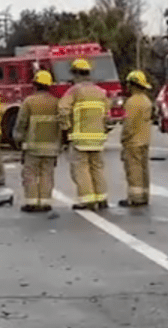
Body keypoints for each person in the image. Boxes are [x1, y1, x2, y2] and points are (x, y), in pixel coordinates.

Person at [58, 58, 110, 210]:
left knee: (81, 169)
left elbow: (62, 109)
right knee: (97, 168)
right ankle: (102, 198)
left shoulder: (74, 91)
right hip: (98, 139)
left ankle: (87, 200)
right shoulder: (101, 92)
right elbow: (107, 115)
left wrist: (66, 128)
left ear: (76, 74)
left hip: (80, 138)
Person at [16, 70, 61, 213]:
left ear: (35, 85)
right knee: (47, 174)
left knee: (30, 174)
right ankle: (45, 202)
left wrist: (18, 140)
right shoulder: (56, 102)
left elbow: (21, 123)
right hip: (52, 147)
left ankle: (32, 202)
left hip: (33, 146)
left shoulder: (29, 102)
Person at [118, 69, 156, 208]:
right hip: (144, 140)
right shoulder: (146, 100)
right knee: (143, 169)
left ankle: (135, 198)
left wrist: (123, 138)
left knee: (133, 170)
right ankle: (144, 195)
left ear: (133, 84)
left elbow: (129, 124)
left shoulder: (132, 102)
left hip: (133, 141)